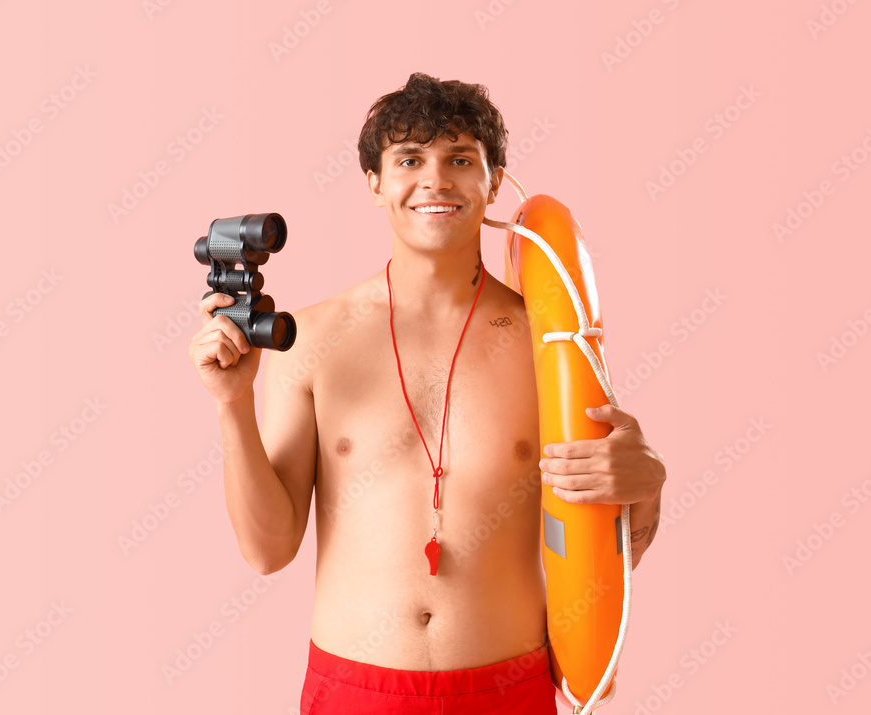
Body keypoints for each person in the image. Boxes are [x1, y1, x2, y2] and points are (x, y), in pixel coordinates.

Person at [189, 72, 666, 715]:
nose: (435, 180)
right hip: (354, 690)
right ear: (375, 184)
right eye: (409, 159)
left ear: (494, 182)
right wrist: (232, 403)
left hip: (506, 688)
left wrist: (648, 485)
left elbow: (610, 543)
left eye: (460, 159)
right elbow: (268, 550)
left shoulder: (549, 345)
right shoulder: (310, 339)